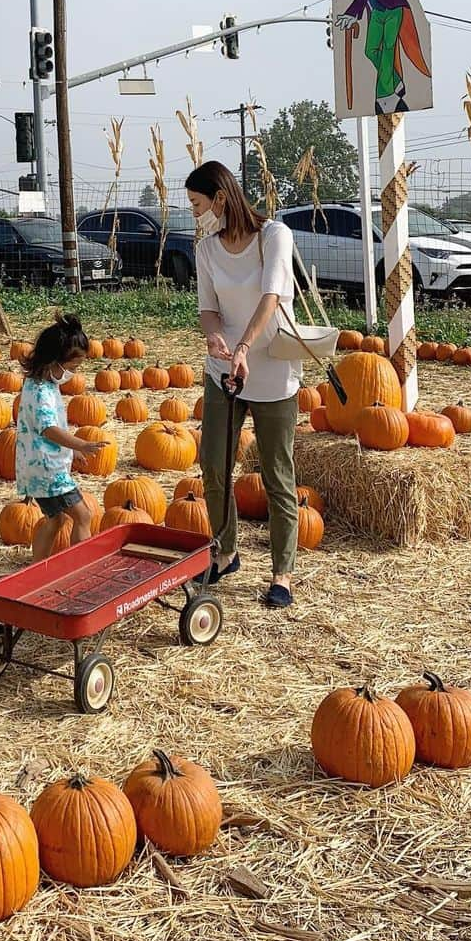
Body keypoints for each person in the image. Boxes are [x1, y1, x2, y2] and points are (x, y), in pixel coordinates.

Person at [185, 161, 300, 608]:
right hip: (223, 371)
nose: (195, 213)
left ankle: (282, 574)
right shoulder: (207, 250)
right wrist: (215, 336)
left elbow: (272, 296)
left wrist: (245, 347)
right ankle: (225, 550)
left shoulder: (274, 236)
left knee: (276, 474)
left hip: (270, 369)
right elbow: (207, 309)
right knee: (213, 465)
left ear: (220, 198)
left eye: (198, 204)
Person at [16, 312, 103, 563]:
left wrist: (70, 451)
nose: (72, 374)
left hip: (39, 466)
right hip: (47, 469)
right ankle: (81, 568)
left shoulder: (41, 384)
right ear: (53, 360)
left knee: (55, 519)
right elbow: (48, 429)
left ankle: (36, 568)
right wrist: (81, 445)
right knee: (83, 516)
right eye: (72, 368)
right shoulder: (40, 392)